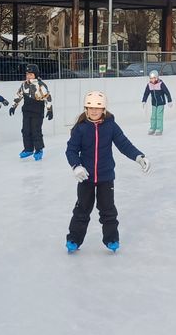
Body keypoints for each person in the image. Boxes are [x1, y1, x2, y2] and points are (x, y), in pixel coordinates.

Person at [64, 90, 151, 253]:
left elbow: (124, 144)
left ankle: (111, 239)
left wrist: (139, 157)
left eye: (97, 108)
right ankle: (74, 239)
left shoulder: (110, 125)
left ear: (104, 109)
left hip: (106, 177)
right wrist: (76, 166)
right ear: (86, 109)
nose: (94, 111)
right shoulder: (81, 128)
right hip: (86, 177)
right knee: (82, 210)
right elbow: (71, 150)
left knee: (108, 210)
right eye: (90, 108)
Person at [8, 63, 54, 160]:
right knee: (25, 130)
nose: (28, 76)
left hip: (37, 111)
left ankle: (38, 149)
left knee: (35, 131)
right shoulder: (24, 84)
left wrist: (49, 110)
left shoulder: (41, 85)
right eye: (27, 74)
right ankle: (28, 149)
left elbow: (47, 98)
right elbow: (19, 95)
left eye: (31, 74)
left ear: (35, 75)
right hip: (27, 111)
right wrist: (13, 106)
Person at [141, 69, 173, 135]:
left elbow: (167, 92)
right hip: (154, 103)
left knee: (159, 116)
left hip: (161, 103)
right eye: (151, 78)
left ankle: (159, 129)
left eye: (153, 78)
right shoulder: (149, 85)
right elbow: (146, 93)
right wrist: (144, 100)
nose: (152, 80)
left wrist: (169, 101)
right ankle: (153, 128)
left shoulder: (161, 84)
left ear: (157, 77)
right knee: (153, 116)